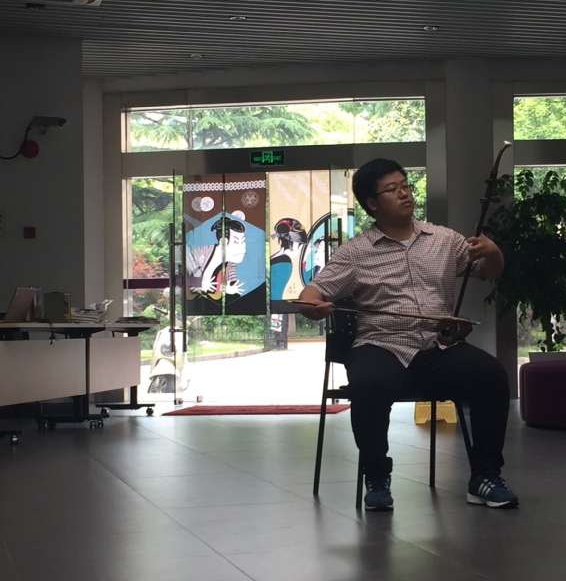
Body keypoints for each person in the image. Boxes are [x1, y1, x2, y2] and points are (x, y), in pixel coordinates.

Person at [298, 158, 518, 511]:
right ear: (372, 203)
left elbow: (487, 270)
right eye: (392, 189)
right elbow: (314, 291)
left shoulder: (444, 239)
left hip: (437, 346)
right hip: (381, 344)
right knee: (368, 382)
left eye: (405, 185)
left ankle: (485, 476)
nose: (404, 193)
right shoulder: (356, 251)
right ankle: (376, 475)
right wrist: (311, 304)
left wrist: (494, 253)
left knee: (491, 374)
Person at [186, 215, 247, 298]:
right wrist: (198, 283)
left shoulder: (231, 261)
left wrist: (227, 289)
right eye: (236, 242)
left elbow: (231, 281)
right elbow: (180, 276)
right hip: (195, 301)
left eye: (243, 241)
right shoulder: (200, 253)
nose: (243, 247)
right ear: (223, 242)